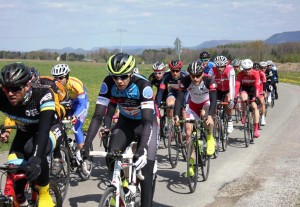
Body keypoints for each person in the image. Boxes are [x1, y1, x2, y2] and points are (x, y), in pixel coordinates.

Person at [81, 53, 157, 207]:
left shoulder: (143, 86)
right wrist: (87, 143)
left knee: (146, 173)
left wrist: (142, 149)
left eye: (123, 76)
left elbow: (148, 120)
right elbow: (97, 116)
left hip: (146, 123)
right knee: (111, 156)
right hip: (125, 122)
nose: (119, 81)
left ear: (131, 73)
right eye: (115, 77)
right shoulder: (108, 83)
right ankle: (124, 188)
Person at [0, 63, 64, 207]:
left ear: (27, 86)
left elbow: (43, 130)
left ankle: (44, 194)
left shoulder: (42, 94)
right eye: (6, 88)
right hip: (24, 134)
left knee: (32, 150)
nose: (10, 93)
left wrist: (35, 159)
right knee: (15, 178)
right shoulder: (2, 96)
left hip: (49, 129)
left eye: (15, 88)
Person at [173, 60, 216, 175]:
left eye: (198, 76)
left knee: (205, 115)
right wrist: (176, 115)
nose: (195, 79)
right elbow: (179, 98)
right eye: (193, 76)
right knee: (188, 133)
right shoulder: (186, 80)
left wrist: (211, 116)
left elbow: (213, 99)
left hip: (206, 104)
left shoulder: (209, 80)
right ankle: (191, 163)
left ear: (202, 74)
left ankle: (210, 137)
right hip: (192, 106)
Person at [51, 64, 89, 174]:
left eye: (60, 78)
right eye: (55, 77)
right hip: (69, 104)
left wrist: (75, 116)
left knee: (76, 126)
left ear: (67, 76)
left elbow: (82, 104)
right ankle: (68, 145)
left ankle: (83, 159)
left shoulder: (75, 84)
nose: (57, 80)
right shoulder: (54, 86)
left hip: (80, 103)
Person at [235, 59, 261, 138]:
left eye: (249, 69)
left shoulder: (255, 73)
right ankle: (243, 113)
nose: (247, 71)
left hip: (253, 89)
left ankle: (256, 129)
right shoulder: (240, 74)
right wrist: (235, 96)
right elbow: (237, 86)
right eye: (245, 69)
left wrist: (256, 97)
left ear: (251, 67)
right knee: (243, 98)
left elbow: (257, 86)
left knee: (254, 106)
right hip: (245, 88)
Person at [211, 56, 236, 133]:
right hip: (217, 90)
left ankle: (229, 120)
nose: (219, 69)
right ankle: (215, 124)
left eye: (222, 66)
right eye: (218, 66)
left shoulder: (230, 70)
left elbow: (232, 86)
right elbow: (209, 85)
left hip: (227, 90)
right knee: (213, 106)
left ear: (225, 65)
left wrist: (231, 99)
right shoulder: (212, 71)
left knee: (228, 101)